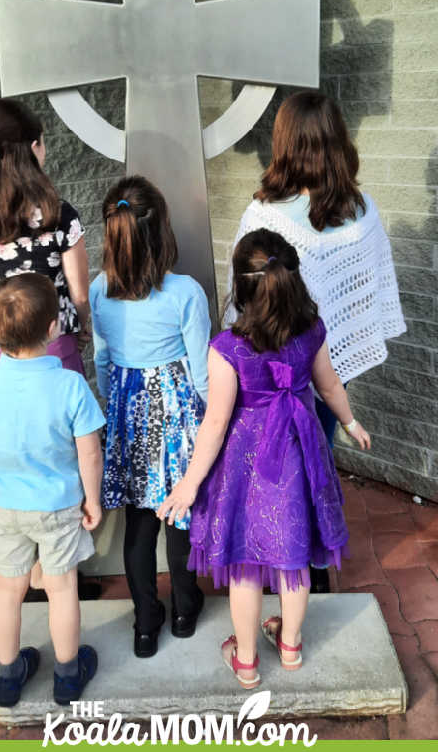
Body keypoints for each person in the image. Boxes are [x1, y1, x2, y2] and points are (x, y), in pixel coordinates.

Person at [157, 229, 370, 690]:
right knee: (294, 558)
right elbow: (330, 384)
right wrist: (350, 423)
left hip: (246, 466)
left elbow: (215, 425)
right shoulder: (311, 331)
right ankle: (290, 645)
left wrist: (190, 484)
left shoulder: (226, 348)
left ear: (242, 286)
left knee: (245, 564)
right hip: (299, 452)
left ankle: (248, 659)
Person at [226, 91, 405, 591]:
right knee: (317, 463)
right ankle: (315, 573)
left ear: (284, 144)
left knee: (273, 474)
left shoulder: (263, 214)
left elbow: (240, 298)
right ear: (337, 140)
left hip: (270, 376)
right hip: (328, 371)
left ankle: (277, 568)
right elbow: (366, 287)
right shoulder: (363, 211)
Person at [0, 273, 105, 706]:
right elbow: (90, 453)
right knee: (62, 588)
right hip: (59, 505)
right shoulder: (68, 385)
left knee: (9, 588)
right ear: (52, 328)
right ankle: (66, 673)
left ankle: (8, 675)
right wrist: (92, 499)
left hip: (5, 504)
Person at [0, 98, 91, 550]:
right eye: (43, 143)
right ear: (33, 149)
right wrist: (84, 329)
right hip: (51, 346)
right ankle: (59, 557)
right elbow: (80, 294)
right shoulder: (59, 216)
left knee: (5, 446)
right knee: (58, 447)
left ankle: (16, 553)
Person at [89, 175, 209, 659]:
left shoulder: (99, 290)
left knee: (138, 523)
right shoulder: (185, 293)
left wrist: (113, 406)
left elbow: (101, 360)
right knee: (179, 515)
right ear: (162, 233)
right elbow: (202, 374)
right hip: (176, 413)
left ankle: (144, 622)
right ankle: (183, 610)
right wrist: (207, 426)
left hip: (126, 409)